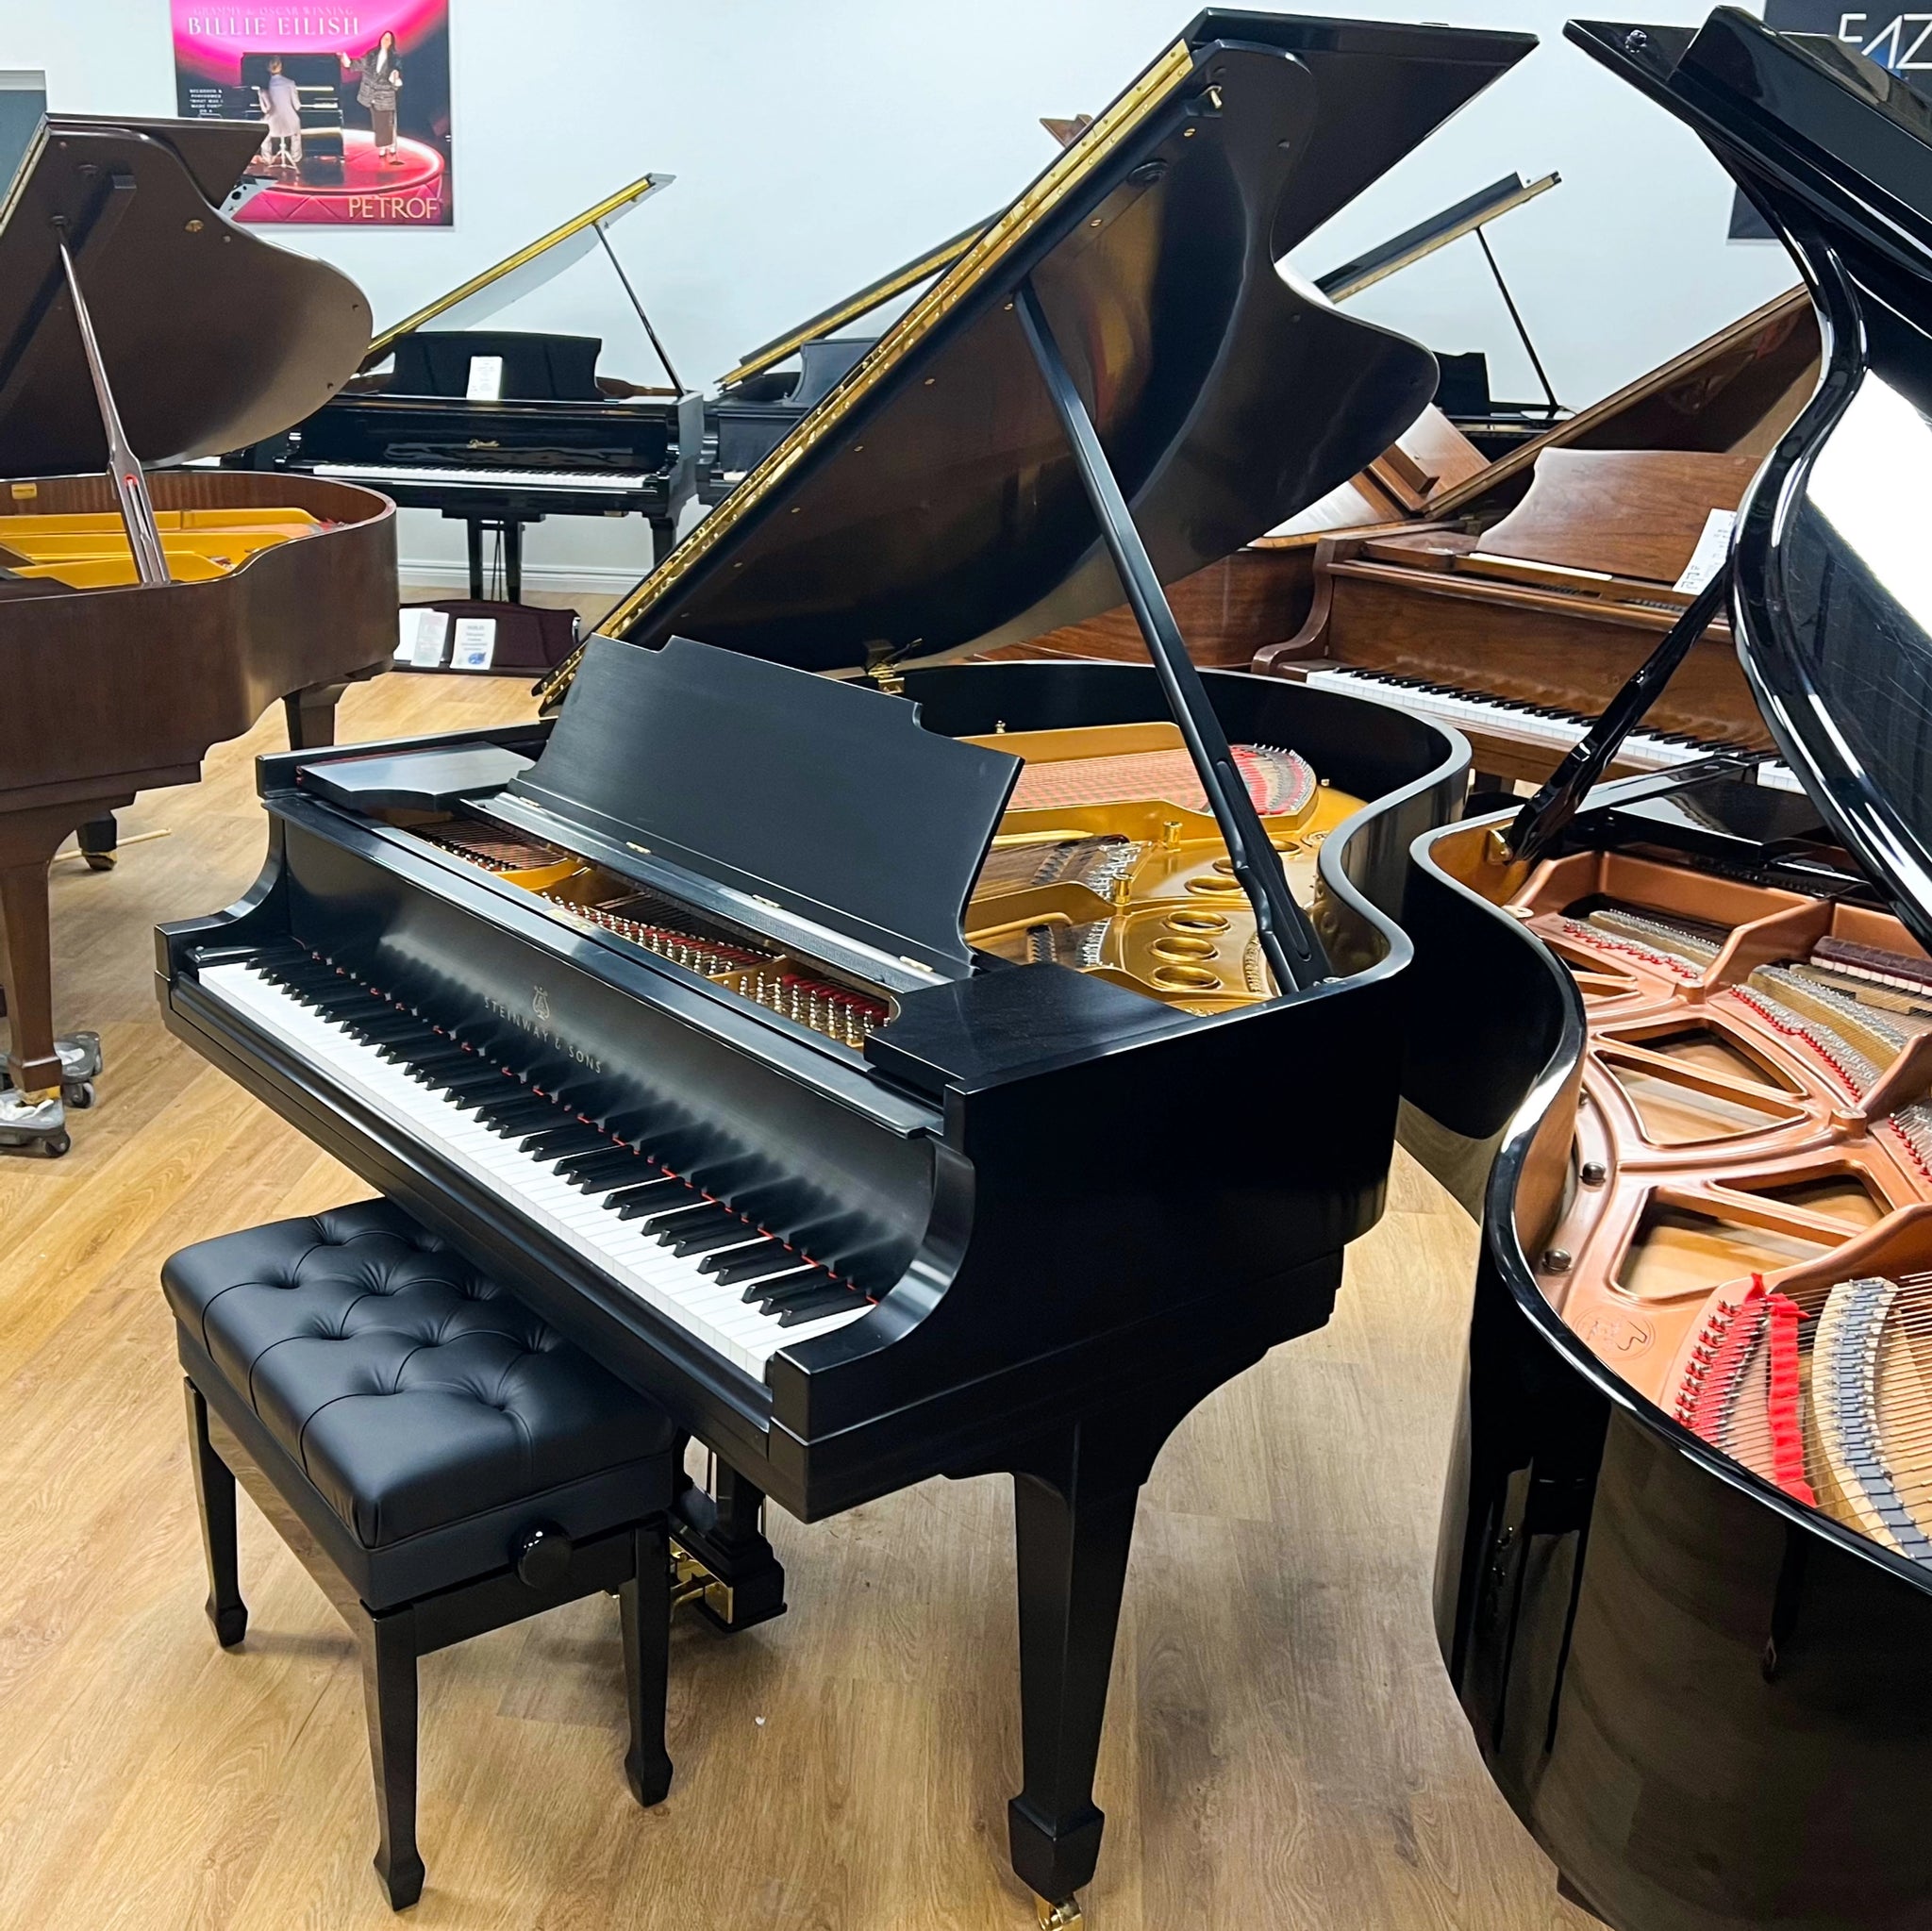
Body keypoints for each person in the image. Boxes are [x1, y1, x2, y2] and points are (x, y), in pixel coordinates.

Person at [341, 31, 403, 165]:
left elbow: (397, 71)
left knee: (387, 122)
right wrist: (348, 62)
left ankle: (390, 146)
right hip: (371, 94)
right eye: (384, 38)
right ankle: (383, 146)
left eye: (388, 39)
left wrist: (395, 76)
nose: (385, 41)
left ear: (392, 42)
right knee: (378, 122)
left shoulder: (394, 58)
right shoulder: (372, 54)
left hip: (385, 95)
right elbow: (360, 64)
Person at [256, 56, 302, 170]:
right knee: (296, 133)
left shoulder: (263, 87)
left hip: (272, 124)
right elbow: (297, 106)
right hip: (290, 123)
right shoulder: (290, 83)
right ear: (281, 67)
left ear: (268, 69)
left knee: (263, 132)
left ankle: (267, 159)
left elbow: (265, 109)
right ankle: (296, 157)